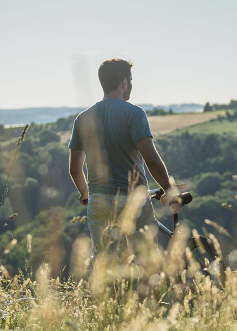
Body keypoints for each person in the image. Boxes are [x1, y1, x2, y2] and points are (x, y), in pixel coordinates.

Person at [68, 58, 174, 258]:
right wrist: (169, 189)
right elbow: (151, 159)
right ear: (125, 82)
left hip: (99, 201)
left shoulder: (83, 118)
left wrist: (85, 193)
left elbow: (75, 169)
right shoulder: (134, 114)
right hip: (133, 200)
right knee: (148, 265)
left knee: (108, 270)